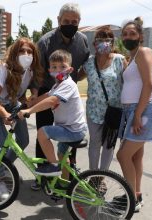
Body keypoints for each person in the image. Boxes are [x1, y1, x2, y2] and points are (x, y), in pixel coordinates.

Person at [33, 2, 90, 189]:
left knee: (67, 134)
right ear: (59, 20)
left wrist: (72, 81)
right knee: (43, 133)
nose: (70, 24)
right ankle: (42, 174)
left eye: (74, 21)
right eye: (66, 21)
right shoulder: (45, 42)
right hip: (47, 89)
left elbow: (85, 67)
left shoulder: (82, 41)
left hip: (65, 92)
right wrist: (33, 98)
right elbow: (38, 70)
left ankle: (67, 173)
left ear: (79, 22)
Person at [116, 17, 152, 212]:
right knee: (135, 157)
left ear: (141, 36)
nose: (128, 37)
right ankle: (136, 194)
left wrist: (137, 114)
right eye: (125, 34)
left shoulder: (144, 52)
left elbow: (149, 84)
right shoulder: (132, 57)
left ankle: (131, 200)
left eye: (132, 34)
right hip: (134, 110)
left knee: (123, 155)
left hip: (145, 110)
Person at [18, 49, 87, 178]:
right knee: (62, 155)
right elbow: (46, 95)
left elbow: (52, 100)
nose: (58, 69)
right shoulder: (57, 85)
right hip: (68, 128)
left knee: (42, 132)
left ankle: (53, 166)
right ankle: (65, 183)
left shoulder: (68, 84)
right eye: (54, 67)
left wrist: (29, 111)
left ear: (70, 69)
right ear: (49, 70)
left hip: (73, 131)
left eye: (62, 67)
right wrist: (29, 104)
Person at [0, 37, 43, 165]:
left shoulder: (30, 72)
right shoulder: (2, 68)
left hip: (13, 105)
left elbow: (19, 94)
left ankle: (4, 169)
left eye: (29, 51)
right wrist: (5, 115)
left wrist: (30, 97)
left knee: (23, 141)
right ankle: (0, 177)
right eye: (21, 51)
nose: (26, 54)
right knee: (4, 142)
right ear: (15, 52)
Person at [81, 26, 127, 171]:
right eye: (100, 40)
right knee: (94, 143)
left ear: (113, 43)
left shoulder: (119, 60)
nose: (104, 43)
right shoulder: (89, 62)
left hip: (114, 111)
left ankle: (102, 177)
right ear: (94, 44)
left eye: (108, 40)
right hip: (93, 111)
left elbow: (129, 83)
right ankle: (93, 177)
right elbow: (76, 77)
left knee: (109, 145)